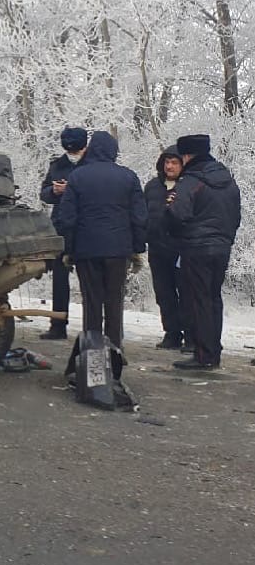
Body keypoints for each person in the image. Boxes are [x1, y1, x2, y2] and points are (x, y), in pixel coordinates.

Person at [55, 130, 148, 379]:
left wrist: (69, 249)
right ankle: (115, 356)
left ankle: (93, 361)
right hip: (118, 251)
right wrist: (137, 249)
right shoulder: (128, 177)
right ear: (113, 152)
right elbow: (139, 217)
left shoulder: (78, 177)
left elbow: (67, 218)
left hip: (87, 250)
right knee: (114, 302)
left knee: (92, 304)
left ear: (91, 149)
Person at [165, 134, 241, 370]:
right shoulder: (227, 180)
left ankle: (203, 354)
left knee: (198, 299)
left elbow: (178, 215)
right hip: (221, 246)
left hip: (196, 247)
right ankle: (213, 350)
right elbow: (235, 216)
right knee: (213, 297)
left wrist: (170, 211)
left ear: (187, 156)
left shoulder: (190, 180)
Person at [39, 126, 88, 340]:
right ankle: (58, 325)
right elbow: (44, 193)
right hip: (62, 227)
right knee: (59, 279)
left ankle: (92, 327)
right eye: (69, 151)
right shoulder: (57, 165)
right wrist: (54, 191)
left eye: (76, 151)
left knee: (89, 279)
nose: (72, 155)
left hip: (87, 228)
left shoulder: (92, 166)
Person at [144, 145, 187, 350]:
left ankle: (191, 333)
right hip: (157, 248)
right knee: (164, 293)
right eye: (167, 162)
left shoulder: (187, 186)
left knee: (186, 293)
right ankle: (171, 333)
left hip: (181, 249)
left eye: (174, 162)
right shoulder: (152, 187)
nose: (169, 166)